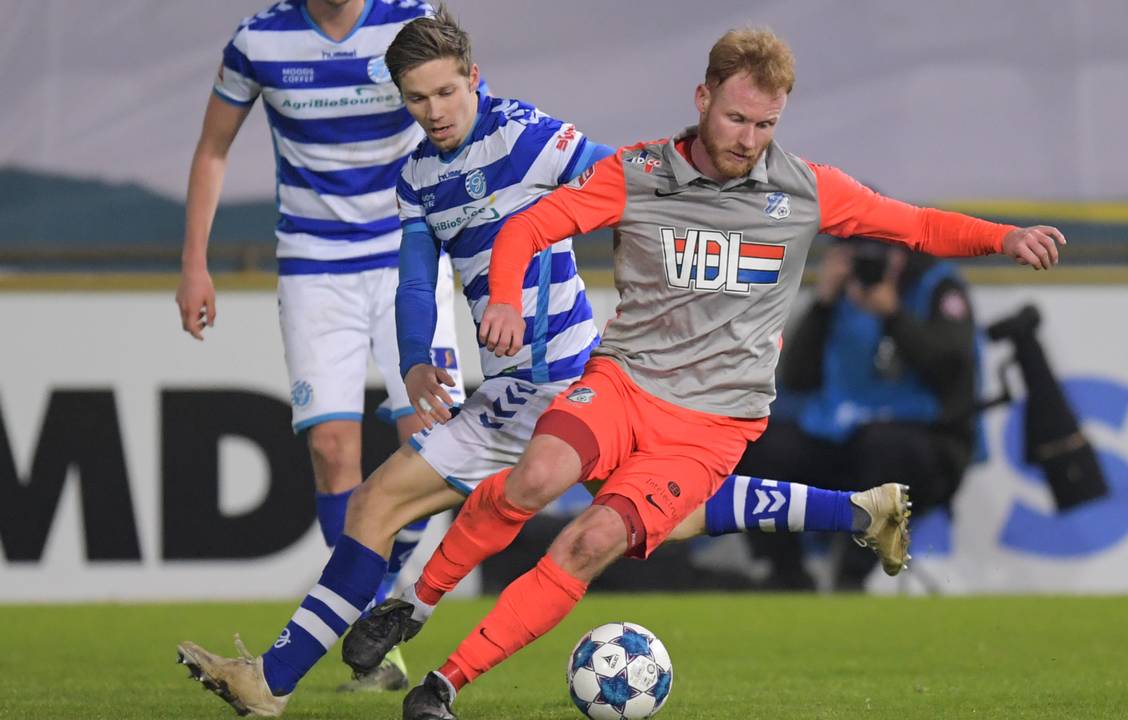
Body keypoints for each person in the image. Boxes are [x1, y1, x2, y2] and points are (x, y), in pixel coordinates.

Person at [176, 10, 905, 718]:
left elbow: (639, 191)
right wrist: (415, 361)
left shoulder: (528, 136)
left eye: (446, 92)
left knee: (640, 513)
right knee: (386, 506)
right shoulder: (419, 176)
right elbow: (414, 278)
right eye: (418, 99)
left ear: (474, 78)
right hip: (509, 394)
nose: (434, 111)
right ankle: (858, 510)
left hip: (578, 382)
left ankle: (285, 675)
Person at [395, 25, 1065, 720]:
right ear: (703, 97)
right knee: (536, 476)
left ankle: (442, 687)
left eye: (766, 124)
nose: (749, 138)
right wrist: (503, 296)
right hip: (624, 383)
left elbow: (917, 226)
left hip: (711, 426)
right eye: (736, 118)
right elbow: (528, 228)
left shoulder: (806, 190)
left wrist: (1004, 236)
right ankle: (411, 603)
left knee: (589, 541)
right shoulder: (639, 173)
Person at [173, 0, 467, 691]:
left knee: (436, 445)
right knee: (332, 450)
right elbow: (213, 149)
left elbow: (459, 117)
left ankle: (374, 606)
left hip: (410, 256)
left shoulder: (411, 20)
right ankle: (373, 642)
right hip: (314, 266)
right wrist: (193, 263)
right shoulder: (258, 41)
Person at [736, 237, 987, 590]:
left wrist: (893, 315)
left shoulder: (936, 285)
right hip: (840, 435)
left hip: (921, 444)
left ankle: (850, 578)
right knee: (759, 446)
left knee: (885, 447)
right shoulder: (841, 291)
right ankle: (786, 575)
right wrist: (823, 302)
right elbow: (797, 377)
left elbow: (952, 371)